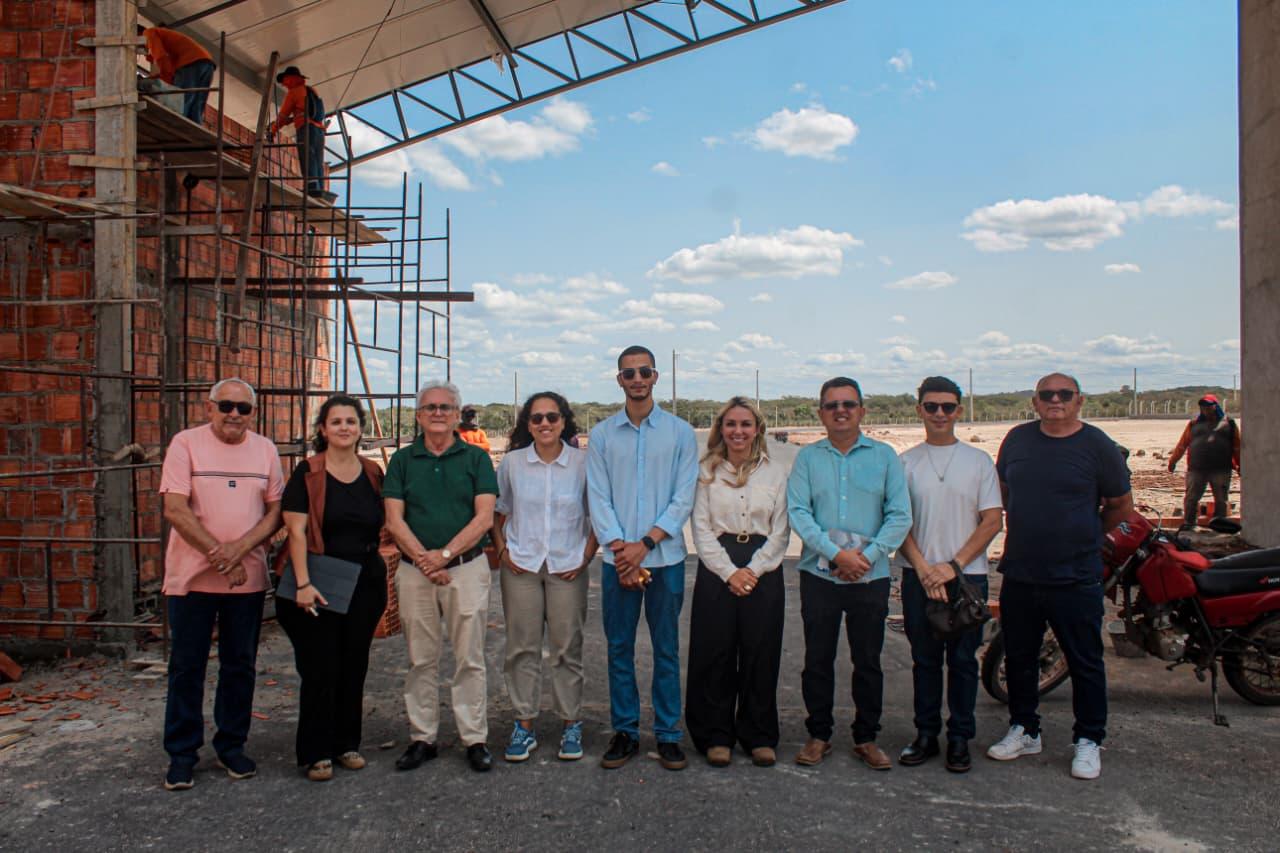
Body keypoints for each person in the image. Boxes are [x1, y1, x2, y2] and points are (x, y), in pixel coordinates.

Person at [986, 373, 1132, 781]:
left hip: (1076, 575)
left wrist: (1087, 534)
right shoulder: (1017, 439)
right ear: (1035, 402)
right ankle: (1025, 728)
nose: (1055, 401)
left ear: (1079, 400)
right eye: (1046, 395)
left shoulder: (1097, 445)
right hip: (1022, 571)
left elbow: (1121, 504)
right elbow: (1002, 491)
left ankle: (1088, 739)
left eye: (1064, 394)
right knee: (1019, 656)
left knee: (1085, 661)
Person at [158, 378, 284, 791]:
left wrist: (239, 551)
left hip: (244, 580)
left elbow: (275, 512)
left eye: (243, 408)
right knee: (186, 667)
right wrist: (219, 554)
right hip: (192, 579)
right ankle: (182, 753)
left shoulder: (265, 450)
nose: (234, 414)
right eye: (226, 406)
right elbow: (175, 508)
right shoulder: (185, 444)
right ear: (208, 407)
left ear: (253, 413)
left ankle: (232, 745)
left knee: (239, 666)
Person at [787, 377, 911, 771]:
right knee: (818, 659)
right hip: (819, 577)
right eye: (831, 405)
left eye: (849, 404)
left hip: (869, 578)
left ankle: (866, 737)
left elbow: (899, 515)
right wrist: (837, 555)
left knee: (868, 660)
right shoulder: (807, 459)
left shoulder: (885, 456)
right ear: (820, 412)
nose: (841, 411)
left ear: (862, 410)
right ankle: (818, 734)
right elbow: (799, 514)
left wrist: (867, 557)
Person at [587, 345, 698, 771]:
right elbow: (598, 497)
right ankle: (625, 731)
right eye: (629, 373)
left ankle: (669, 735)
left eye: (644, 371)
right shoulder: (601, 435)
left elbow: (683, 496)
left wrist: (645, 546)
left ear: (655, 377)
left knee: (666, 649)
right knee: (620, 649)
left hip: (665, 559)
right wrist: (622, 551)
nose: (637, 379)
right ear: (619, 379)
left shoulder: (680, 432)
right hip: (617, 561)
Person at [384, 380, 499, 773]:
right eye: (429, 407)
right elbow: (393, 519)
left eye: (445, 408)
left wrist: (445, 556)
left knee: (470, 657)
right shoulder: (401, 461)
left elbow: (484, 515)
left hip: (465, 568)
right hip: (415, 572)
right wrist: (425, 559)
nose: (437, 413)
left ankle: (474, 737)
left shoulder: (476, 458)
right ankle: (422, 737)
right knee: (421, 659)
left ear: (456, 415)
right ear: (418, 415)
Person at [894, 377, 1002, 773]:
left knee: (962, 661)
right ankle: (925, 734)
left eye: (948, 406)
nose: (940, 413)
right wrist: (925, 569)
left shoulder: (978, 462)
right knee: (924, 659)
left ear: (959, 410)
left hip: (967, 577)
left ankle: (960, 737)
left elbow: (991, 520)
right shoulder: (904, 463)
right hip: (917, 575)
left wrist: (952, 567)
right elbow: (898, 522)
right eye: (932, 406)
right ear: (919, 409)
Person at [277, 395, 387, 782]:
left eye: (351, 421)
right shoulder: (307, 473)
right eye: (335, 421)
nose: (344, 428)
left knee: (354, 664)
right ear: (322, 429)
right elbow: (296, 530)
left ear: (361, 429)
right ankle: (316, 751)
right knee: (320, 667)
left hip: (364, 582)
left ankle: (346, 743)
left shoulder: (373, 473)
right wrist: (303, 583)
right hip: (318, 581)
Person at [491, 393, 596, 763]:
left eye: (552, 417)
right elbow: (497, 511)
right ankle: (524, 725)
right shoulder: (514, 464)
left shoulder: (583, 464)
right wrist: (503, 551)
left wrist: (585, 556)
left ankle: (571, 723)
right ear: (528, 424)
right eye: (537, 418)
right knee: (522, 648)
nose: (545, 424)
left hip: (568, 566)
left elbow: (597, 511)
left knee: (568, 648)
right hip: (522, 566)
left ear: (564, 421)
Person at [686, 397, 789, 768]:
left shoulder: (775, 474)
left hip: (763, 564)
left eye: (746, 424)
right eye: (731, 424)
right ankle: (716, 735)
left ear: (757, 429)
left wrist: (754, 570)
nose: (738, 431)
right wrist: (730, 572)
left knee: (760, 652)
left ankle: (758, 734)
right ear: (721, 429)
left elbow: (780, 531)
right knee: (715, 652)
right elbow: (699, 528)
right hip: (718, 567)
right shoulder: (705, 472)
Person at [1167, 394, 1240, 528]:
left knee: (1221, 500)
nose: (1206, 409)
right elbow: (1182, 444)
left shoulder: (1229, 423)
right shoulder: (1194, 423)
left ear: (1215, 406)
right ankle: (1189, 523)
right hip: (1197, 469)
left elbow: (1237, 446)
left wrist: (1240, 465)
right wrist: (1173, 461)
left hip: (1221, 469)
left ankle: (1219, 525)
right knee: (1191, 498)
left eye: (1208, 406)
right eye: (1203, 407)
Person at [268, 66, 330, 199]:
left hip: (306, 128)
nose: (284, 84)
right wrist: (293, 119)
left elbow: (283, 115)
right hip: (319, 130)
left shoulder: (294, 92)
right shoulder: (311, 90)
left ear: (290, 79)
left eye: (284, 81)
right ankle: (319, 188)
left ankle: (311, 188)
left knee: (307, 157)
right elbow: (305, 110)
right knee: (317, 159)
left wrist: (273, 130)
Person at [141, 25, 216, 124]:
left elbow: (161, 58)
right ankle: (194, 128)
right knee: (197, 104)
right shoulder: (168, 43)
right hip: (207, 64)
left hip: (189, 62)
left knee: (181, 100)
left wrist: (164, 83)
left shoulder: (148, 33)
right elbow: (168, 69)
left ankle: (178, 124)